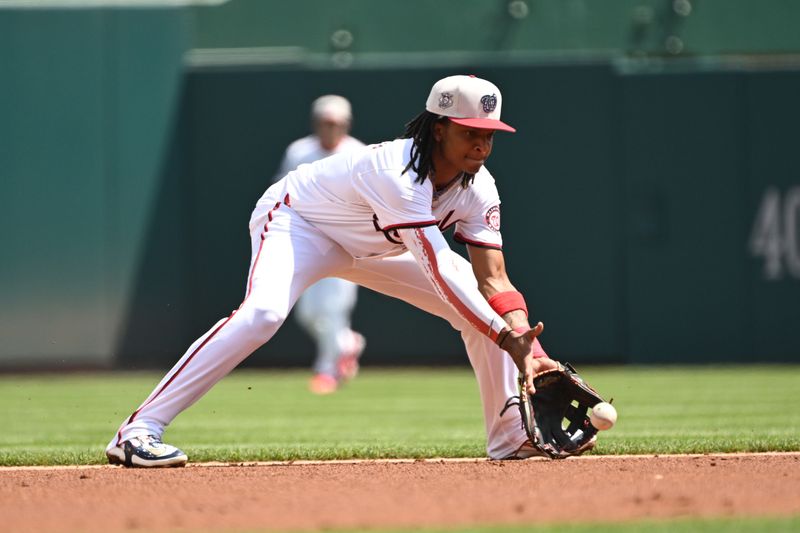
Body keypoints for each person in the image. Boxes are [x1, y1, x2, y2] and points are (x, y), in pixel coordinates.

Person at [106, 74, 565, 468]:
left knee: (477, 309)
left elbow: (493, 280)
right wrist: (507, 340)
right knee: (262, 315)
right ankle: (137, 432)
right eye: (470, 132)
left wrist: (531, 345)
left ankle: (509, 437)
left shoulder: (479, 186)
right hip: (300, 223)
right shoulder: (400, 172)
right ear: (440, 128)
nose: (483, 144)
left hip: (375, 247)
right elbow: (440, 265)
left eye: (490, 133)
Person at [273, 95, 367, 395]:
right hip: (307, 241)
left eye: (337, 123)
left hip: (345, 242)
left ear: (346, 124)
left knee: (333, 310)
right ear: (317, 123)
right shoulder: (299, 151)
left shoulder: (358, 153)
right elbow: (282, 191)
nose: (331, 128)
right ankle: (346, 344)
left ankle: (327, 371)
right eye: (326, 123)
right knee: (308, 314)